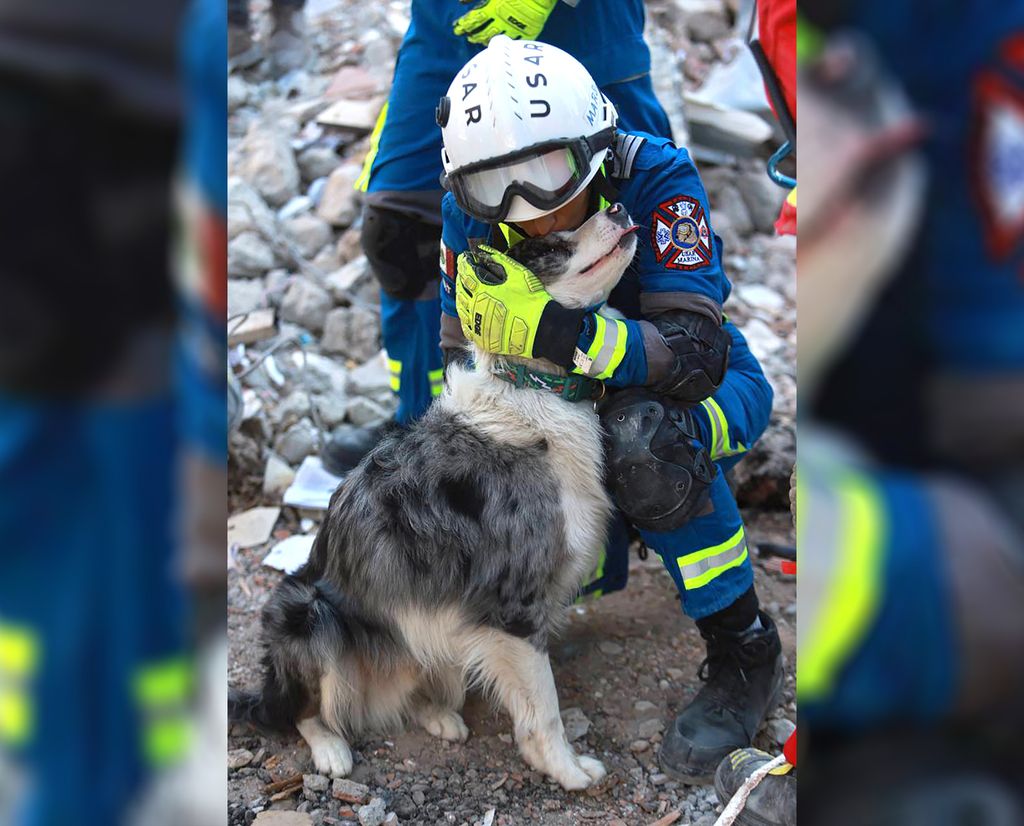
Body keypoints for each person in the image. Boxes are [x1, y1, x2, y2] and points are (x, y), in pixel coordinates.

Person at [437, 37, 784, 782]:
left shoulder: (656, 174)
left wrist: (562, 335)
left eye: (547, 173)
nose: (527, 208)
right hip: (571, 408)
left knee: (644, 443)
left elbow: (693, 357)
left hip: (708, 392)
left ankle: (743, 645)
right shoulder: (465, 215)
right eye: (497, 186)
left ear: (593, 146)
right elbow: (458, 358)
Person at [321, 0, 674, 474]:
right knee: (399, 230)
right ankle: (426, 426)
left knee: (616, 229)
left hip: (574, 23)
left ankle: (641, 440)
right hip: (447, 21)